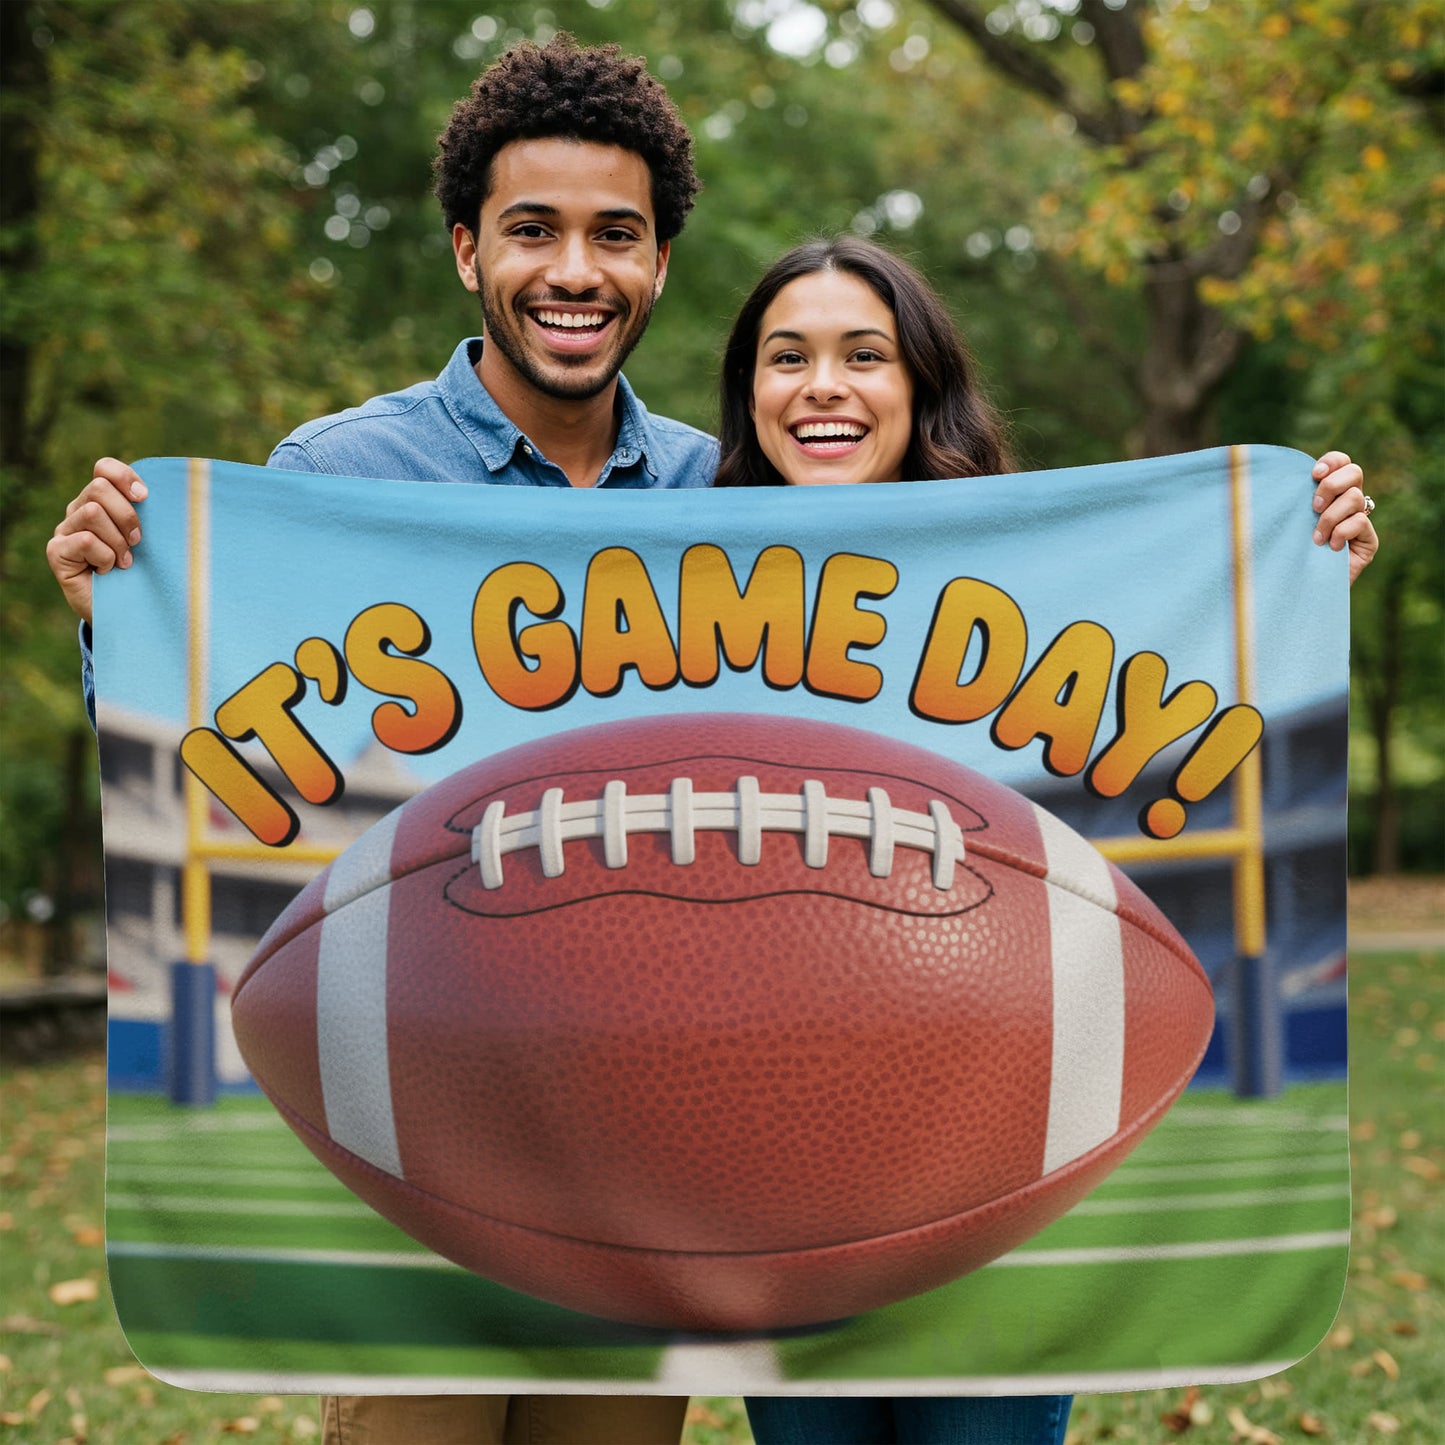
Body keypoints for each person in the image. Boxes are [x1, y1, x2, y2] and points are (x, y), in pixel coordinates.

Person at [45, 33, 714, 1445]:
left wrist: (1260, 562)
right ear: (469, 250)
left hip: (647, 1110)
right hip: (420, 1096)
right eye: (532, 231)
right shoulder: (338, 476)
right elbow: (223, 764)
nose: (575, 273)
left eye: (617, 236)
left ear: (660, 261)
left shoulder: (726, 490)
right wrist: (118, 614)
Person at [714, 234, 1377, 1445]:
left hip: (995, 1157)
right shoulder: (665, 591)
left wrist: (1301, 547)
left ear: (919, 387)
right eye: (785, 356)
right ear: (745, 391)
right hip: (785, 1174)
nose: (820, 385)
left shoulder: (1045, 582)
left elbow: (1202, 702)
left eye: (863, 354)